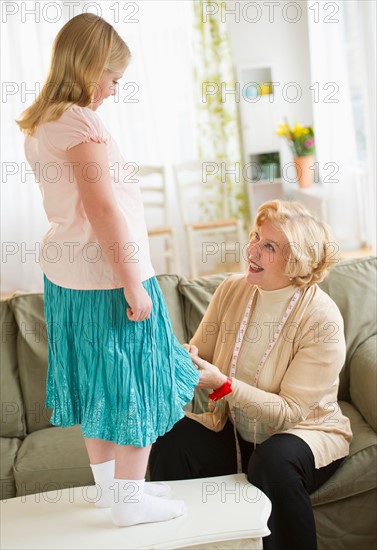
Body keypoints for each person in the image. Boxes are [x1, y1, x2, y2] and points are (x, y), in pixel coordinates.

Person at [16, 13, 199, 527]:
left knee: (95, 379)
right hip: (106, 277)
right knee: (136, 378)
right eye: (114, 79)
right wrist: (133, 284)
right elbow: (103, 210)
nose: (115, 91)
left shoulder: (42, 122)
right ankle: (130, 500)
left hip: (66, 277)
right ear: (92, 67)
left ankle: (109, 493)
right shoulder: (79, 122)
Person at [149, 200, 353, 550]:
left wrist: (223, 385)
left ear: (297, 262)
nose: (251, 249)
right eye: (255, 236)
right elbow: (201, 352)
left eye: (268, 246)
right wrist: (181, 358)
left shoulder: (322, 319)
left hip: (304, 434)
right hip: (238, 431)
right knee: (171, 438)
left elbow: (289, 412)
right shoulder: (233, 289)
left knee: (272, 462)